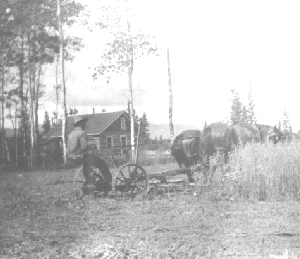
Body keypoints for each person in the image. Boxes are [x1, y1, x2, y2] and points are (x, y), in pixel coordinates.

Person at [67, 116, 112, 195]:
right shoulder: (81, 133)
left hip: (72, 158)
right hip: (81, 157)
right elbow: (84, 146)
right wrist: (93, 146)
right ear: (81, 124)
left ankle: (91, 179)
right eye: (84, 124)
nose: (85, 125)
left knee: (91, 163)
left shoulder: (71, 134)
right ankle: (108, 182)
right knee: (102, 163)